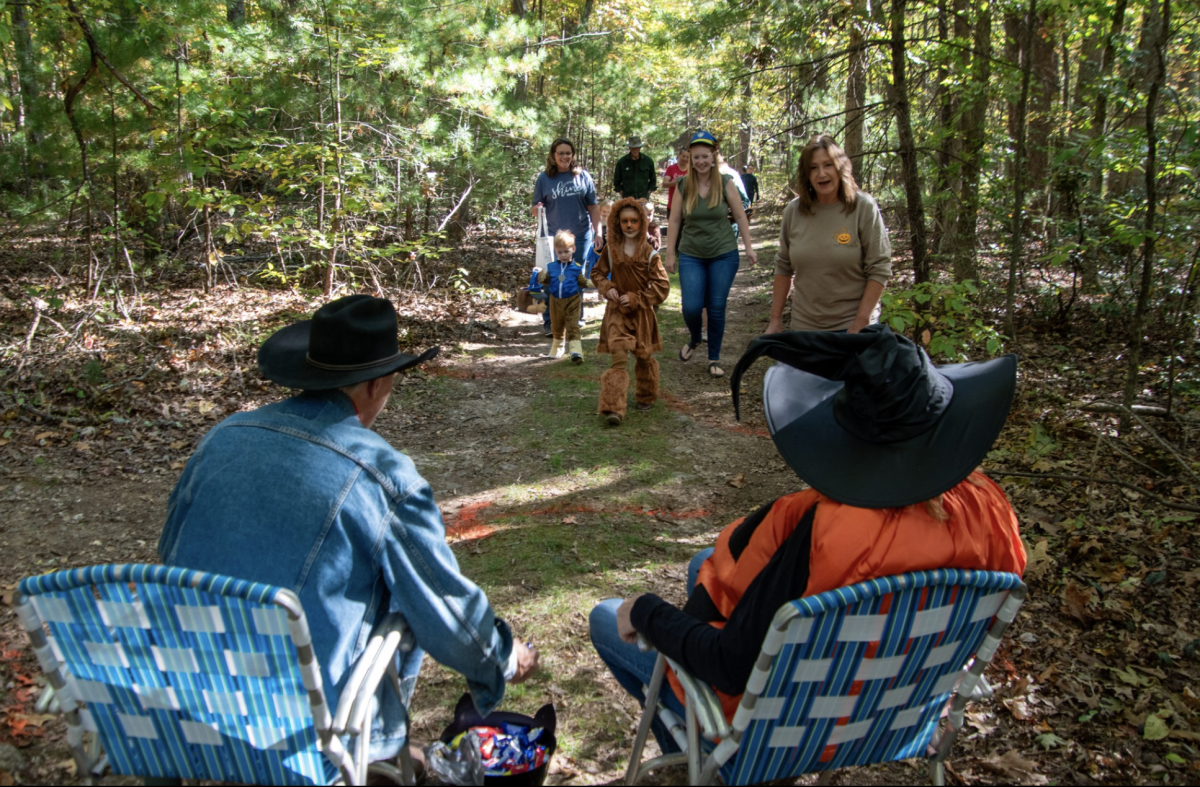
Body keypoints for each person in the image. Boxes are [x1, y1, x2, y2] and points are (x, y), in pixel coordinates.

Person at [589, 326, 1026, 750]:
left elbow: (729, 664)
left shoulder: (824, 531)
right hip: (891, 714)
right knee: (704, 562)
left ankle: (708, 765)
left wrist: (644, 611)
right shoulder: (991, 511)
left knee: (608, 616)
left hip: (784, 728)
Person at [159, 295, 540, 767]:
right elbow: (445, 610)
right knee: (403, 594)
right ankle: (379, 757)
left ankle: (393, 757)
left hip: (180, 700)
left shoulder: (221, 437)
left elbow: (170, 554)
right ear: (379, 383)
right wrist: (504, 655)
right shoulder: (384, 476)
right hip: (293, 728)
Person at [767, 133, 892, 334]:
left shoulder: (862, 207)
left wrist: (860, 323)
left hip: (854, 327)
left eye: (828, 165)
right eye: (814, 168)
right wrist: (775, 321)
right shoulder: (794, 211)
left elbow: (880, 267)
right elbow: (783, 266)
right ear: (806, 174)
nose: (821, 174)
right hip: (804, 327)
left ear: (840, 167)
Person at [662, 131, 757, 379]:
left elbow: (740, 216)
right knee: (691, 307)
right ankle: (695, 338)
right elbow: (674, 221)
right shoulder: (684, 184)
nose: (701, 161)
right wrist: (669, 253)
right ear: (691, 159)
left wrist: (748, 247)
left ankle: (714, 357)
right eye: (696, 157)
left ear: (713, 157)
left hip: (723, 253)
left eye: (705, 156)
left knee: (716, 306)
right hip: (691, 253)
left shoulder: (726, 182)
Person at [593, 198, 671, 426]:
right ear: (617, 222)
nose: (629, 225)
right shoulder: (611, 250)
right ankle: (613, 407)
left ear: (642, 223)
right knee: (618, 357)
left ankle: (646, 395)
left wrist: (639, 298)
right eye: (624, 221)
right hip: (617, 311)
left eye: (634, 221)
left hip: (641, 314)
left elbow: (662, 285)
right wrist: (608, 288)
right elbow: (597, 273)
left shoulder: (649, 253)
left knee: (644, 355)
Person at [533, 138, 603, 333]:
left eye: (568, 153)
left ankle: (574, 318)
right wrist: (538, 209)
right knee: (553, 278)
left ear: (573, 155)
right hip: (554, 238)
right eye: (560, 153)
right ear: (553, 156)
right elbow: (534, 207)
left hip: (580, 234)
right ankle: (551, 322)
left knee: (575, 276)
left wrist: (599, 233)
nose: (564, 156)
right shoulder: (544, 178)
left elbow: (593, 207)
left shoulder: (583, 177)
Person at [538, 230, 588, 363]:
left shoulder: (576, 268)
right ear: (555, 251)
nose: (563, 255)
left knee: (573, 325)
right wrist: (540, 276)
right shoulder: (552, 267)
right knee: (557, 325)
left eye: (566, 251)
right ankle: (557, 348)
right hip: (555, 301)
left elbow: (583, 282)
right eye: (560, 252)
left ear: (573, 249)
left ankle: (576, 350)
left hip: (572, 300)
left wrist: (596, 282)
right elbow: (546, 280)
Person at [613, 135, 657, 201]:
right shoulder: (622, 162)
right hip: (627, 199)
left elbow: (653, 180)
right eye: (633, 148)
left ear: (640, 147)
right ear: (629, 148)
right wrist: (622, 193)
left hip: (643, 199)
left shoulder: (648, 161)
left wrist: (648, 192)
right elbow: (616, 181)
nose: (635, 150)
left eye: (637, 148)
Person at [661, 147, 689, 217]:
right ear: (679, 155)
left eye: (687, 157)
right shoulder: (671, 168)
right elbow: (665, 184)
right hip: (672, 205)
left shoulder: (691, 170)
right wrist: (676, 183)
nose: (685, 159)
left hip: (687, 206)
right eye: (683, 156)